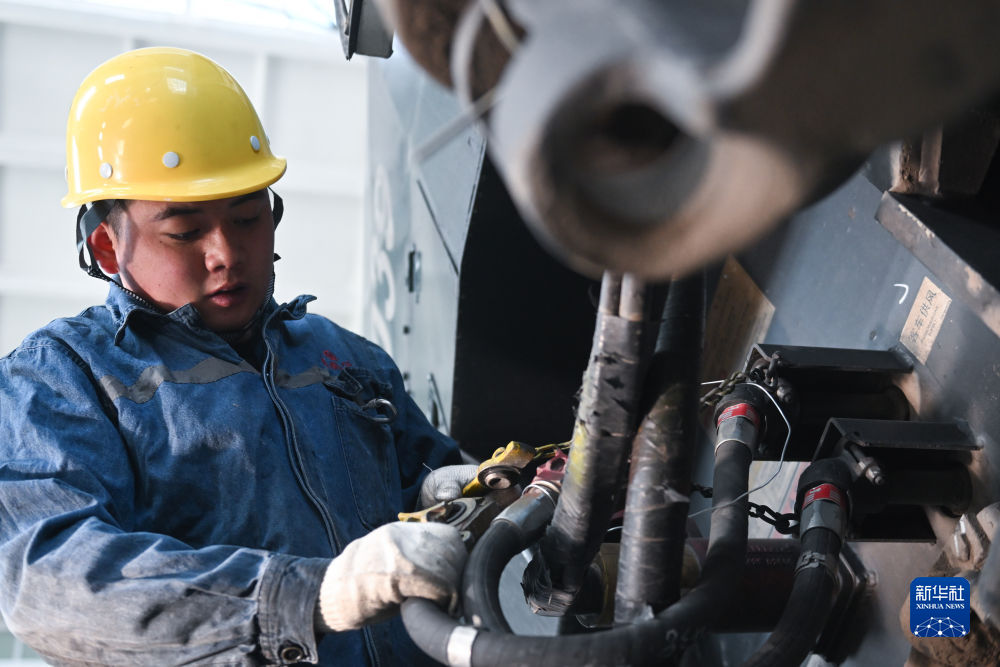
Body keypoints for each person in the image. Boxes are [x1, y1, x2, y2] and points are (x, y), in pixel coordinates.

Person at [0, 46, 478, 665]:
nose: (226, 254)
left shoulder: (342, 357)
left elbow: (409, 504)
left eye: (248, 217)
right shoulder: (60, 381)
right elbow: (53, 578)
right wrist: (309, 596)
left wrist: (443, 491)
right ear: (108, 248)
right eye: (184, 231)